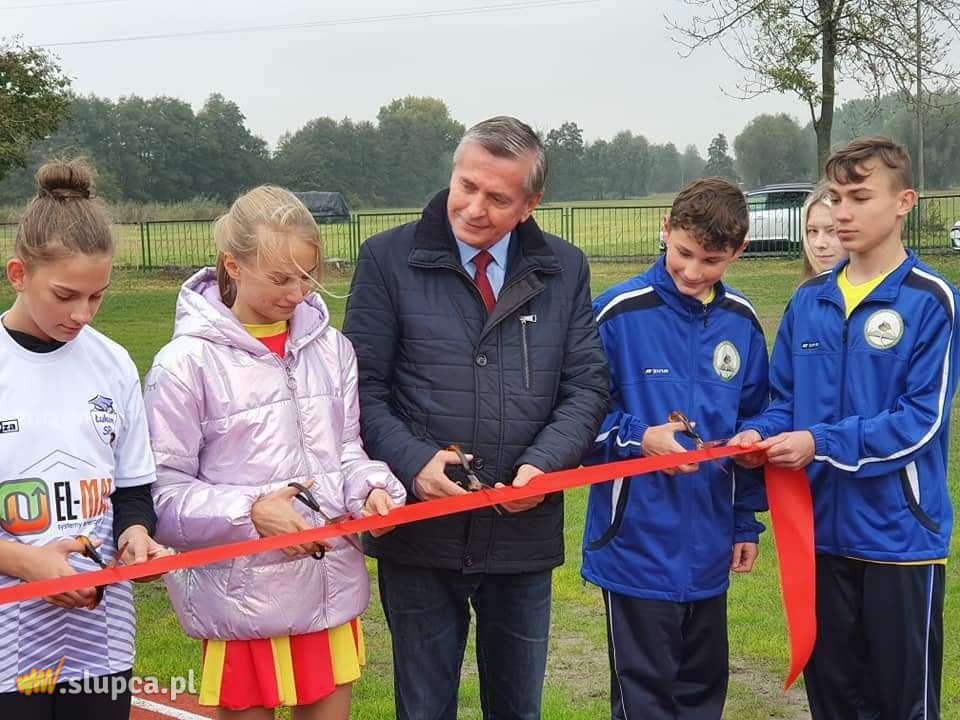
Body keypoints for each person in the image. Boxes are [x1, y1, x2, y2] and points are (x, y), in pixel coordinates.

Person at [342, 115, 610, 720]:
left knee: (518, 709)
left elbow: (588, 385)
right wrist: (413, 464)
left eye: (498, 197)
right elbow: (360, 390)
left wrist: (543, 465)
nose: (474, 208)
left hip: (523, 532)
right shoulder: (387, 259)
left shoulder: (564, 269)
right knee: (424, 709)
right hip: (420, 532)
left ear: (530, 204)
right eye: (467, 185)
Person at [143, 185, 406, 720]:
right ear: (232, 266)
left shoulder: (333, 349)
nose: (297, 293)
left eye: (308, 276)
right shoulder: (183, 364)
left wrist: (371, 489)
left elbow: (347, 451)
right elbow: (162, 497)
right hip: (242, 602)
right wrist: (251, 513)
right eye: (280, 278)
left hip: (329, 589)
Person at [731, 136, 959, 719]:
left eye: (859, 196)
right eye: (835, 197)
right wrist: (761, 434)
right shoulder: (809, 300)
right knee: (833, 700)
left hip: (898, 540)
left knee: (901, 705)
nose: (841, 213)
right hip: (818, 535)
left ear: (905, 200)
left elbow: (920, 421)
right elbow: (786, 400)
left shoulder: (931, 300)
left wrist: (819, 444)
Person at [582, 177, 769, 719]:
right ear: (664, 230)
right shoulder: (616, 314)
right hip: (635, 548)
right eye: (683, 253)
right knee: (644, 700)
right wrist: (640, 438)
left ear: (738, 252)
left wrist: (742, 524)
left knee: (701, 695)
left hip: (710, 550)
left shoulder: (744, 323)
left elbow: (755, 420)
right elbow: (576, 420)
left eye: (711, 260)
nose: (692, 271)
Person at [0, 158, 168, 718]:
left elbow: (133, 487)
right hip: (9, 639)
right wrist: (27, 564)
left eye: (96, 297)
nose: (81, 314)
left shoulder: (114, 363)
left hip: (99, 637)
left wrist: (136, 535)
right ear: (18, 274)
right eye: (66, 295)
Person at [799, 182, 847, 282]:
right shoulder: (804, 294)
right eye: (813, 231)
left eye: (832, 230)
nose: (819, 244)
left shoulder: (883, 293)